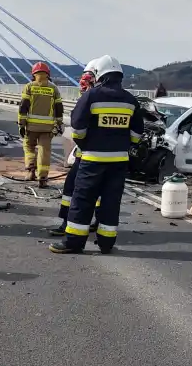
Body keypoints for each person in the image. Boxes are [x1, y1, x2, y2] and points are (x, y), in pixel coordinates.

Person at [49, 55, 144, 254]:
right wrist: (123, 146)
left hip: (92, 159)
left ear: (99, 74)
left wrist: (86, 144)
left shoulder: (91, 96)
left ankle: (74, 242)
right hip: (119, 162)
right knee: (111, 202)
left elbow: (77, 127)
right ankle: (106, 243)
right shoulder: (130, 100)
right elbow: (136, 133)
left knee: (82, 200)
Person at [49, 62, 101, 236]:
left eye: (84, 83)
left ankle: (69, 225)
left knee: (72, 189)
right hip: (98, 155)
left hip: (87, 155)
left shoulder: (89, 99)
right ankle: (98, 222)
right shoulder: (105, 98)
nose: (82, 86)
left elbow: (78, 128)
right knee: (97, 192)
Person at [18, 62, 64, 187]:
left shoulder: (29, 87)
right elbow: (59, 108)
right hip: (47, 127)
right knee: (45, 150)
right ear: (47, 74)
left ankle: (30, 172)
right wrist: (59, 123)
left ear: (34, 74)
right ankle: (42, 177)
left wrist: (21, 124)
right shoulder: (53, 88)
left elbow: (23, 107)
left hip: (31, 127)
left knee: (29, 147)